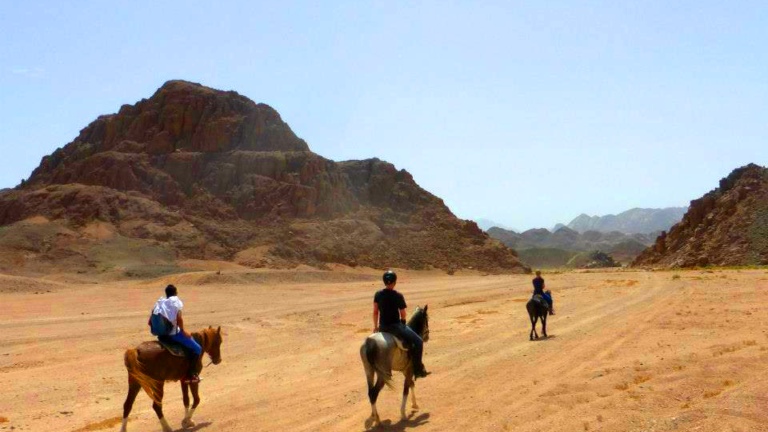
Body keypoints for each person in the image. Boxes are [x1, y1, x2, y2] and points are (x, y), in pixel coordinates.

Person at [373, 270, 430, 378]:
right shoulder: (398, 295)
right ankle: (418, 370)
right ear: (395, 282)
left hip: (383, 327)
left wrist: (376, 327)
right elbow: (403, 314)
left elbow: (375, 312)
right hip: (395, 327)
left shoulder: (378, 294)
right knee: (418, 341)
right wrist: (403, 323)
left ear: (384, 281)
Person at [149, 284, 202, 383]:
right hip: (173, 334)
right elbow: (179, 318)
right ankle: (191, 375)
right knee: (198, 349)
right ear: (175, 292)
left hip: (161, 335)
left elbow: (150, 321)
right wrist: (183, 331)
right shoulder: (176, 302)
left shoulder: (160, 302)